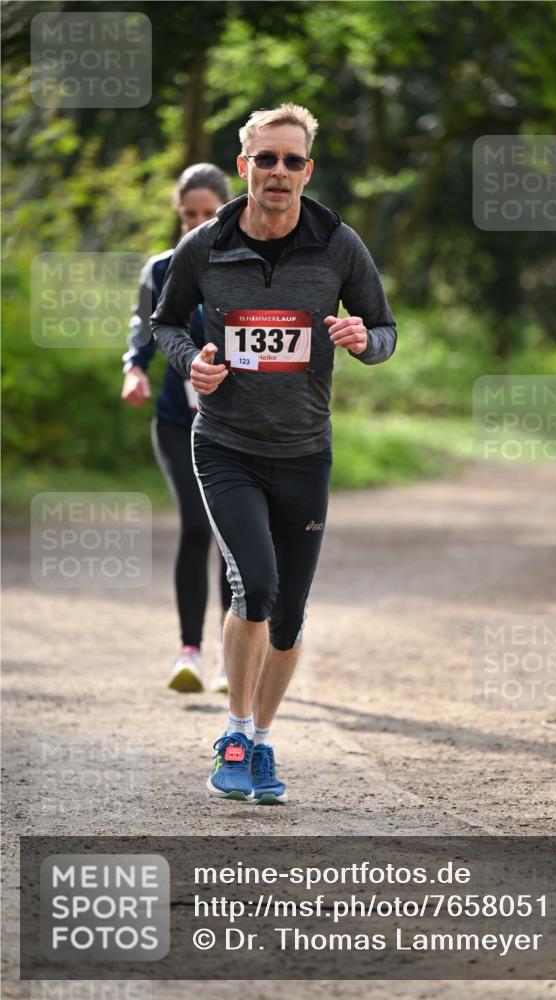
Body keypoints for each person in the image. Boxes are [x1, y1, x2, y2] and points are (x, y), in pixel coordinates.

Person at [151, 104, 397, 803]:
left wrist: (362, 342)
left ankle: (260, 742)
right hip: (225, 443)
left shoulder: (338, 245)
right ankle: (230, 733)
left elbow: (384, 329)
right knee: (253, 585)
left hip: (304, 451)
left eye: (292, 160)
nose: (279, 172)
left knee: (289, 612)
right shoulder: (205, 245)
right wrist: (188, 362)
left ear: (307, 169)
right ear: (245, 165)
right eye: (267, 159)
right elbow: (166, 321)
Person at [121, 163, 233, 694]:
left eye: (209, 214)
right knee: (196, 525)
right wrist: (134, 368)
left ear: (228, 210)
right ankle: (189, 652)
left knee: (236, 534)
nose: (198, 222)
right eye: (189, 214)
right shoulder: (163, 268)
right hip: (177, 421)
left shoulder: (247, 266)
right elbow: (144, 328)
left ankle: (232, 654)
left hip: (237, 423)